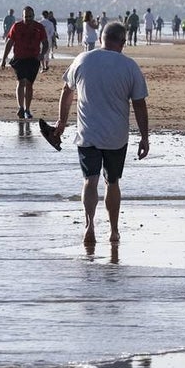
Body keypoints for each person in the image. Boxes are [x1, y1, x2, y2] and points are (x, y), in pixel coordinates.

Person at [51, 21, 149, 246]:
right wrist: (144, 137)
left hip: (88, 133)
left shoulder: (83, 59)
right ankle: (114, 231)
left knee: (90, 180)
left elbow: (67, 92)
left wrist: (62, 121)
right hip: (116, 137)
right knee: (112, 182)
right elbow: (139, 105)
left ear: (102, 37)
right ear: (123, 42)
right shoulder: (129, 66)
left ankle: (89, 225)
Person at [1, 6, 48, 119]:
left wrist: (42, 55)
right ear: (22, 16)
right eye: (26, 16)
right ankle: (20, 108)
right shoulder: (17, 26)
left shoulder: (39, 27)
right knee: (21, 82)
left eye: (30, 16)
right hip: (19, 58)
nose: (28, 18)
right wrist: (3, 59)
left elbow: (45, 43)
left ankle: (27, 109)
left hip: (33, 59)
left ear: (33, 16)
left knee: (29, 84)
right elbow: (9, 43)